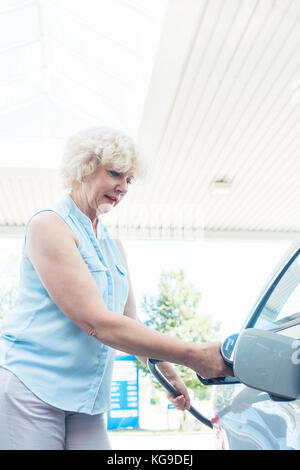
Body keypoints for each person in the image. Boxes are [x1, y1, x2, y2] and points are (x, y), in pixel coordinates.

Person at [0, 126, 233, 450]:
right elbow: (96, 321)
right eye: (115, 174)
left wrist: (165, 370)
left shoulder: (113, 244)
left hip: (87, 399)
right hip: (32, 388)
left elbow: (129, 323)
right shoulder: (49, 226)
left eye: (129, 180)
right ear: (84, 167)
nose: (123, 187)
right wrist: (193, 355)